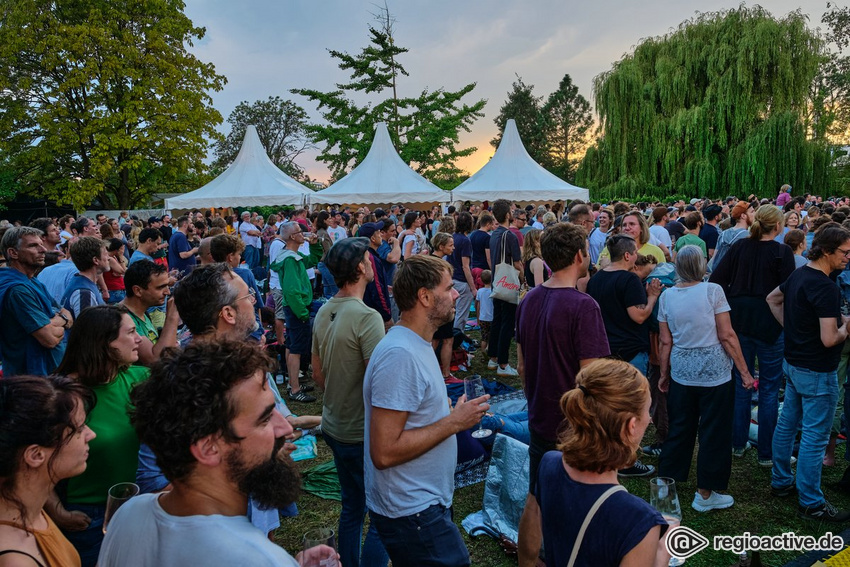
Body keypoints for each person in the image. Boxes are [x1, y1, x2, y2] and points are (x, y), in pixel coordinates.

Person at [98, 341, 322, 567]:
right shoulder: (258, 559)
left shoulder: (128, 516)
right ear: (208, 448)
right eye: (264, 419)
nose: (284, 428)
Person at [364, 255, 489, 567]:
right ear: (425, 297)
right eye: (448, 288)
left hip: (422, 503)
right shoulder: (400, 356)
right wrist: (451, 423)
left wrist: (444, 415)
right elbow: (384, 452)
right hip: (411, 509)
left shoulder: (418, 345)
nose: (456, 293)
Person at [515, 222, 611, 567]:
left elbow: (522, 366)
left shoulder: (529, 300)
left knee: (537, 496)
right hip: (575, 424)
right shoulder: (584, 306)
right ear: (579, 256)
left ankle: (528, 561)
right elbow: (593, 378)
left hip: (540, 413)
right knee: (582, 501)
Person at [533, 359, 668, 567]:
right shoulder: (640, 521)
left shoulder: (549, 463)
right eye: (647, 411)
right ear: (631, 425)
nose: (649, 419)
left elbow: (532, 522)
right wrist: (661, 555)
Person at [311, 237, 388, 567]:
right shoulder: (366, 317)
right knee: (383, 516)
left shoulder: (324, 310)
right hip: (360, 433)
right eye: (368, 258)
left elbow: (318, 377)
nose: (372, 263)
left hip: (334, 425)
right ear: (360, 268)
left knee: (352, 506)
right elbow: (381, 385)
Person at [658, 246, 753, 513]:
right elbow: (727, 335)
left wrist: (664, 374)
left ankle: (665, 488)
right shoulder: (713, 291)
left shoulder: (667, 297)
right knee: (714, 431)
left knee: (680, 428)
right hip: (714, 373)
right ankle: (705, 493)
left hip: (682, 372)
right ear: (701, 265)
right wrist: (745, 371)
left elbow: (666, 342)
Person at [50, 305, 145, 566]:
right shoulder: (61, 395)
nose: (140, 339)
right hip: (88, 518)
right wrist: (57, 511)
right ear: (105, 343)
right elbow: (30, 458)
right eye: (132, 332)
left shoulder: (140, 379)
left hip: (137, 508)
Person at [767, 224, 850, 521]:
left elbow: (773, 299)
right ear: (827, 250)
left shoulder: (800, 273)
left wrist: (793, 329)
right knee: (814, 436)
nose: (848, 257)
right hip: (817, 368)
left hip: (793, 362)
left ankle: (780, 481)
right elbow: (830, 339)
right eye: (844, 252)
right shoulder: (826, 286)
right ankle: (812, 501)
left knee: (787, 424)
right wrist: (846, 327)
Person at [710, 204, 795, 465]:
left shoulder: (740, 247)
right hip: (769, 323)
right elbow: (788, 292)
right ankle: (765, 453)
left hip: (741, 321)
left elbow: (716, 278)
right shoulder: (782, 252)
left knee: (741, 382)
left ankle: (738, 442)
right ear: (778, 226)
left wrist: (733, 298)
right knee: (769, 389)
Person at [0, 375, 96, 567]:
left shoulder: (30, 510)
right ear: (35, 455)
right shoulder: (15, 561)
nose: (91, 434)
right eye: (78, 430)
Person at [0, 227, 70, 376]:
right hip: (31, 380)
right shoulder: (18, 290)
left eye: (41, 244)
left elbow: (68, 314)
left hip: (48, 373)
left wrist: (57, 320)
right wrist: (62, 320)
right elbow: (49, 339)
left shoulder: (33, 282)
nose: (43, 249)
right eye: (33, 245)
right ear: (13, 253)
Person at [270, 222, 323, 403]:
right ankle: (294, 389)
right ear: (293, 237)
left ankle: (292, 383)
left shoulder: (291, 255)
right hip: (296, 308)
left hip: (293, 308)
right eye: (300, 232)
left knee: (292, 346)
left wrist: (315, 245)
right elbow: (292, 291)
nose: (304, 234)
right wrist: (302, 313)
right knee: (297, 350)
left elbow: (311, 261)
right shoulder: (290, 260)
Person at [487, 199, 524, 377]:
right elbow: (517, 263)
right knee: (507, 324)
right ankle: (503, 363)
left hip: (497, 282)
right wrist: (523, 277)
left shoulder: (494, 234)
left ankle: (493, 358)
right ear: (508, 214)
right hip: (508, 283)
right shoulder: (510, 236)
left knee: (498, 321)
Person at [120, 260, 178, 367]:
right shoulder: (123, 318)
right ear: (138, 291)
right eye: (160, 287)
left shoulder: (141, 312)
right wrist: (172, 317)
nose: (167, 292)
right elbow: (156, 360)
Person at [61, 237, 110, 318]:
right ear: (95, 260)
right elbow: (86, 328)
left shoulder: (84, 283)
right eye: (105, 254)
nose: (108, 258)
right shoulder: (83, 292)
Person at [449, 212, 477, 331]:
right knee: (461, 314)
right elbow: (465, 266)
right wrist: (473, 287)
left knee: (454, 313)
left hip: (452, 278)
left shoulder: (453, 237)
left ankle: (455, 336)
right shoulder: (465, 241)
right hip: (461, 280)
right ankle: (457, 338)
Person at [708, 200, 753, 272]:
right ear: (743, 216)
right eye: (752, 212)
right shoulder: (748, 236)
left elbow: (714, 258)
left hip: (721, 275)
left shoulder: (724, 233)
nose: (755, 214)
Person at [469, 212, 494, 288]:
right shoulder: (487, 237)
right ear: (488, 224)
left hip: (473, 266)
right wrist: (492, 269)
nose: (492, 226)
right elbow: (488, 257)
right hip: (483, 269)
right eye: (491, 224)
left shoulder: (473, 234)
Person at [103, 238, 127, 305]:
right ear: (117, 249)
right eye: (122, 248)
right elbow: (123, 271)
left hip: (116, 288)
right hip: (115, 289)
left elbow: (118, 272)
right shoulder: (110, 259)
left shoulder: (113, 257)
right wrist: (121, 256)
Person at [475, 269, 494, 353]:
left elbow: (477, 305)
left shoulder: (480, 291)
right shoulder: (494, 291)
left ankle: (483, 353)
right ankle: (490, 351)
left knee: (484, 337)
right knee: (492, 336)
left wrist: (478, 317)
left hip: (483, 318)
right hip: (492, 318)